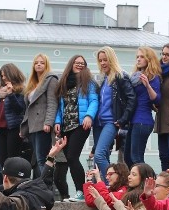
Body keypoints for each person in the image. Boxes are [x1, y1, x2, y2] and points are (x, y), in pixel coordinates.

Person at [54, 55, 98, 201]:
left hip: (81, 124)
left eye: (82, 63)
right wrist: (58, 122)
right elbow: (61, 107)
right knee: (70, 159)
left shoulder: (88, 82)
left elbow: (93, 101)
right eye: (76, 62)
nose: (79, 65)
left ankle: (81, 191)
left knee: (73, 156)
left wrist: (89, 116)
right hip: (67, 126)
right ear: (71, 64)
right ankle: (80, 192)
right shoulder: (64, 83)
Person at [93, 46, 135, 181]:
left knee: (99, 155)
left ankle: (113, 183)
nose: (103, 63)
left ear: (112, 59)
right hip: (98, 123)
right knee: (101, 156)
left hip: (111, 121)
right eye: (100, 60)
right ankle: (101, 187)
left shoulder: (120, 76)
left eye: (105, 60)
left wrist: (123, 119)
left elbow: (131, 98)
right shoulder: (103, 79)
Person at [22, 54, 59, 175]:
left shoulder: (51, 79)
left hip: (43, 124)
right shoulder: (32, 84)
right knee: (38, 159)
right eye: (36, 62)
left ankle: (46, 186)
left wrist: (48, 122)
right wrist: (24, 127)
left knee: (42, 158)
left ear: (46, 65)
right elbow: (29, 108)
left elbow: (52, 102)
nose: (38, 64)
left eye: (42, 63)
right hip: (33, 125)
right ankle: (43, 186)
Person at [0, 63, 27, 179]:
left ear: (12, 74)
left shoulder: (20, 91)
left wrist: (10, 94)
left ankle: (14, 184)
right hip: (2, 129)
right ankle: (6, 185)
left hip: (13, 128)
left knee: (12, 159)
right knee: (3, 161)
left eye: (5, 75)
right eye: (2, 76)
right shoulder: (1, 93)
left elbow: (20, 109)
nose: (3, 78)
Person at [126, 47, 162, 167]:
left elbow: (157, 99)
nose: (139, 59)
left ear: (149, 59)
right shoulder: (135, 77)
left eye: (142, 57)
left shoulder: (153, 77)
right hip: (133, 120)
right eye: (137, 57)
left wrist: (147, 85)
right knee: (128, 157)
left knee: (136, 157)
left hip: (142, 120)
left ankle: (147, 181)